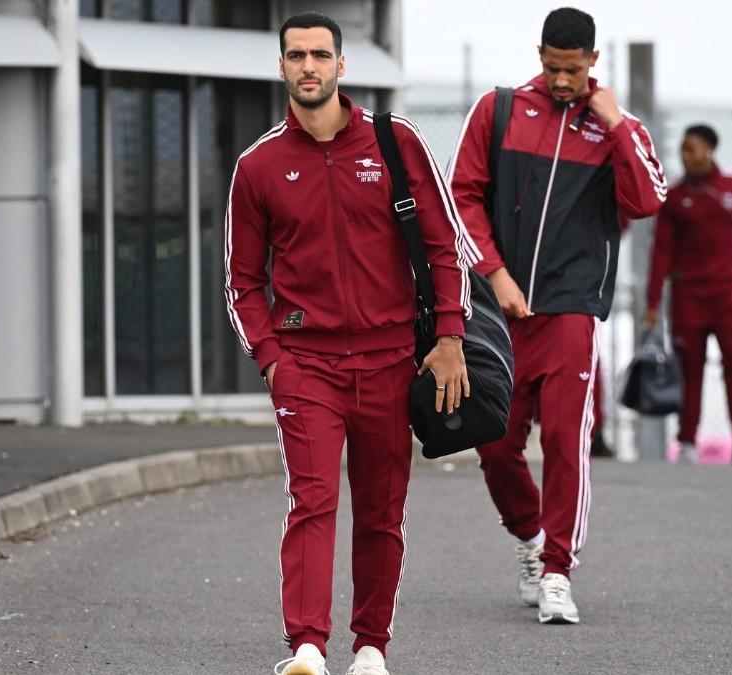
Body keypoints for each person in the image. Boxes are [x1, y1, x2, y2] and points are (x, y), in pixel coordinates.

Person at [224, 12, 476, 675]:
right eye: (297, 55)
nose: (309, 66)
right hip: (307, 365)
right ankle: (308, 644)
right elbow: (242, 281)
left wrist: (449, 335)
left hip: (394, 360)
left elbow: (444, 245)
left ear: (342, 65)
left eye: (321, 54)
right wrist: (271, 359)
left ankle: (370, 647)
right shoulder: (259, 167)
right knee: (312, 500)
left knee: (381, 509)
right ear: (281, 67)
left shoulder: (396, 143)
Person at [449, 7, 666, 624]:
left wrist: (617, 125)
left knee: (568, 441)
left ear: (594, 61)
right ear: (539, 54)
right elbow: (462, 194)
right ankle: (529, 539)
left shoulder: (617, 127)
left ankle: (558, 573)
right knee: (492, 441)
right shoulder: (499, 109)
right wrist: (494, 274)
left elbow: (646, 199)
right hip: (500, 309)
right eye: (552, 67)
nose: (562, 80)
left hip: (572, 308)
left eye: (572, 70)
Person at [644, 123, 732, 465]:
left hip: (728, 294)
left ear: (709, 150)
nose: (685, 156)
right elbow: (661, 252)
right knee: (689, 368)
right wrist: (653, 302)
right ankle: (687, 442)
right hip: (688, 296)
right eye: (682, 149)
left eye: (692, 149)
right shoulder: (673, 198)